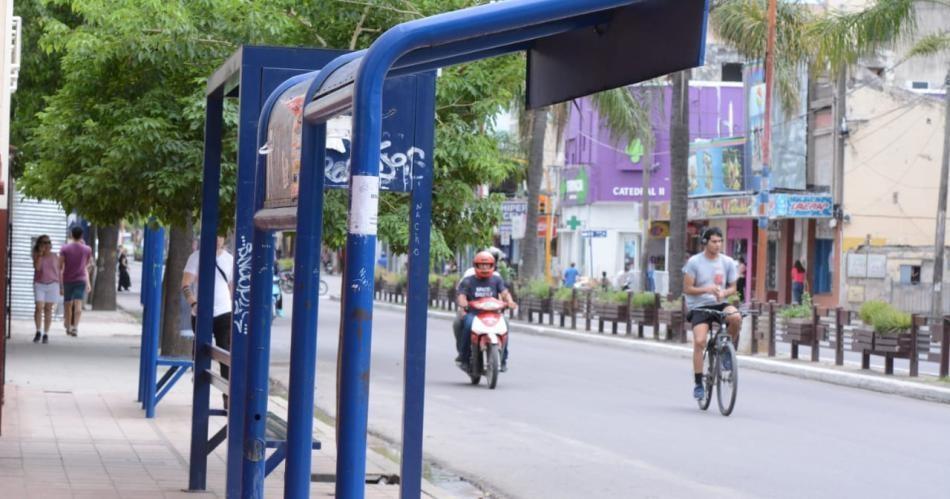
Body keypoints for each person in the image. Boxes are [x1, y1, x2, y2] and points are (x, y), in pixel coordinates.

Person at [683, 227, 740, 401]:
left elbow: (733, 288)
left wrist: (724, 293)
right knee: (700, 341)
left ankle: (724, 350)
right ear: (705, 242)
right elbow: (687, 288)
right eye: (714, 241)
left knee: (735, 316)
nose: (718, 245)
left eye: (720, 241)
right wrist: (706, 289)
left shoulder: (728, 262)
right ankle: (699, 383)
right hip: (699, 306)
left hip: (720, 303)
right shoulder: (694, 262)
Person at [182, 236, 234, 395]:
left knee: (225, 352)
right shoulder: (196, 257)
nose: (217, 239)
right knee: (201, 350)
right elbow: (185, 284)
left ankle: (227, 395)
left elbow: (232, 286)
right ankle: (199, 387)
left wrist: (233, 307)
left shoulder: (229, 259)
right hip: (201, 312)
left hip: (224, 312)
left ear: (224, 239)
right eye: (215, 235)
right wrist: (194, 303)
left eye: (220, 236)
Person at [455, 251, 517, 371]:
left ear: (492, 266)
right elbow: (461, 294)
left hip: (493, 314)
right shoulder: (468, 280)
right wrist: (463, 303)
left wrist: (510, 301)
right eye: (481, 265)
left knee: (505, 325)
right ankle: (464, 358)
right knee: (467, 325)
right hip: (474, 314)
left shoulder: (496, 280)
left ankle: (503, 359)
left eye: (487, 265)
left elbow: (504, 292)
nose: (484, 267)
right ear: (476, 265)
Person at [59, 226, 93, 337]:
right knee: (78, 303)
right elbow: (86, 265)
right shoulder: (87, 249)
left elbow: (60, 265)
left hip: (68, 279)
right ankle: (75, 328)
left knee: (68, 304)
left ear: (72, 235)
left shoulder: (64, 249)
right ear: (82, 235)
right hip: (80, 279)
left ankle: (68, 326)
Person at [32, 235, 60, 343]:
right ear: (39, 244)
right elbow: (37, 267)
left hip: (53, 284)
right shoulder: (36, 255)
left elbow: (58, 272)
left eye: (48, 242)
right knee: (39, 307)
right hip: (39, 284)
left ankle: (46, 333)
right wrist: (40, 254)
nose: (47, 244)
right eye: (44, 242)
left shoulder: (54, 256)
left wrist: (61, 286)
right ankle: (38, 331)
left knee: (48, 309)